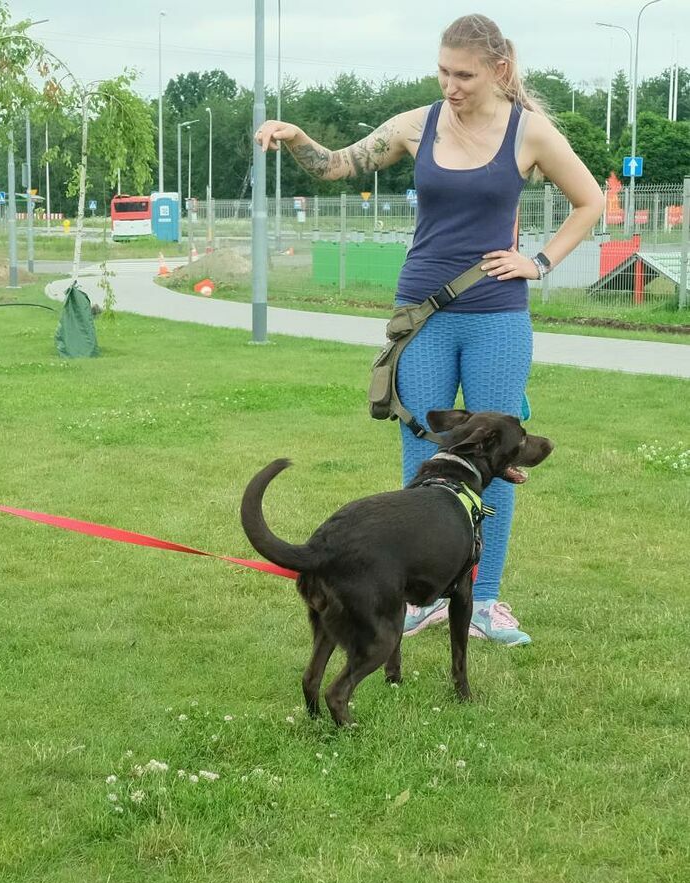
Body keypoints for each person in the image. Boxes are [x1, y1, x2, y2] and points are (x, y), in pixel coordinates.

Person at [255, 14, 602, 646]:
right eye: (442, 71)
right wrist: (299, 135)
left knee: (492, 461)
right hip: (423, 313)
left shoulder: (530, 132)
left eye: (463, 74)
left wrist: (540, 261)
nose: (450, 85)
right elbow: (336, 167)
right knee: (424, 456)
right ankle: (423, 596)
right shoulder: (418, 124)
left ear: (498, 70)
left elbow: (591, 202)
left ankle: (485, 597)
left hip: (497, 314)